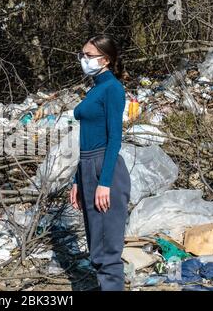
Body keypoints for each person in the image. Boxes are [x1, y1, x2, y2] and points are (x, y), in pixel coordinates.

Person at [69, 34, 131, 291]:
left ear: (105, 59)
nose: (83, 59)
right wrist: (77, 180)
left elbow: (115, 137)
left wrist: (104, 183)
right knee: (97, 245)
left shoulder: (113, 89)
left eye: (89, 56)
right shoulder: (96, 88)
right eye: (82, 54)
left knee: (107, 251)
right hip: (88, 167)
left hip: (105, 169)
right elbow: (86, 138)